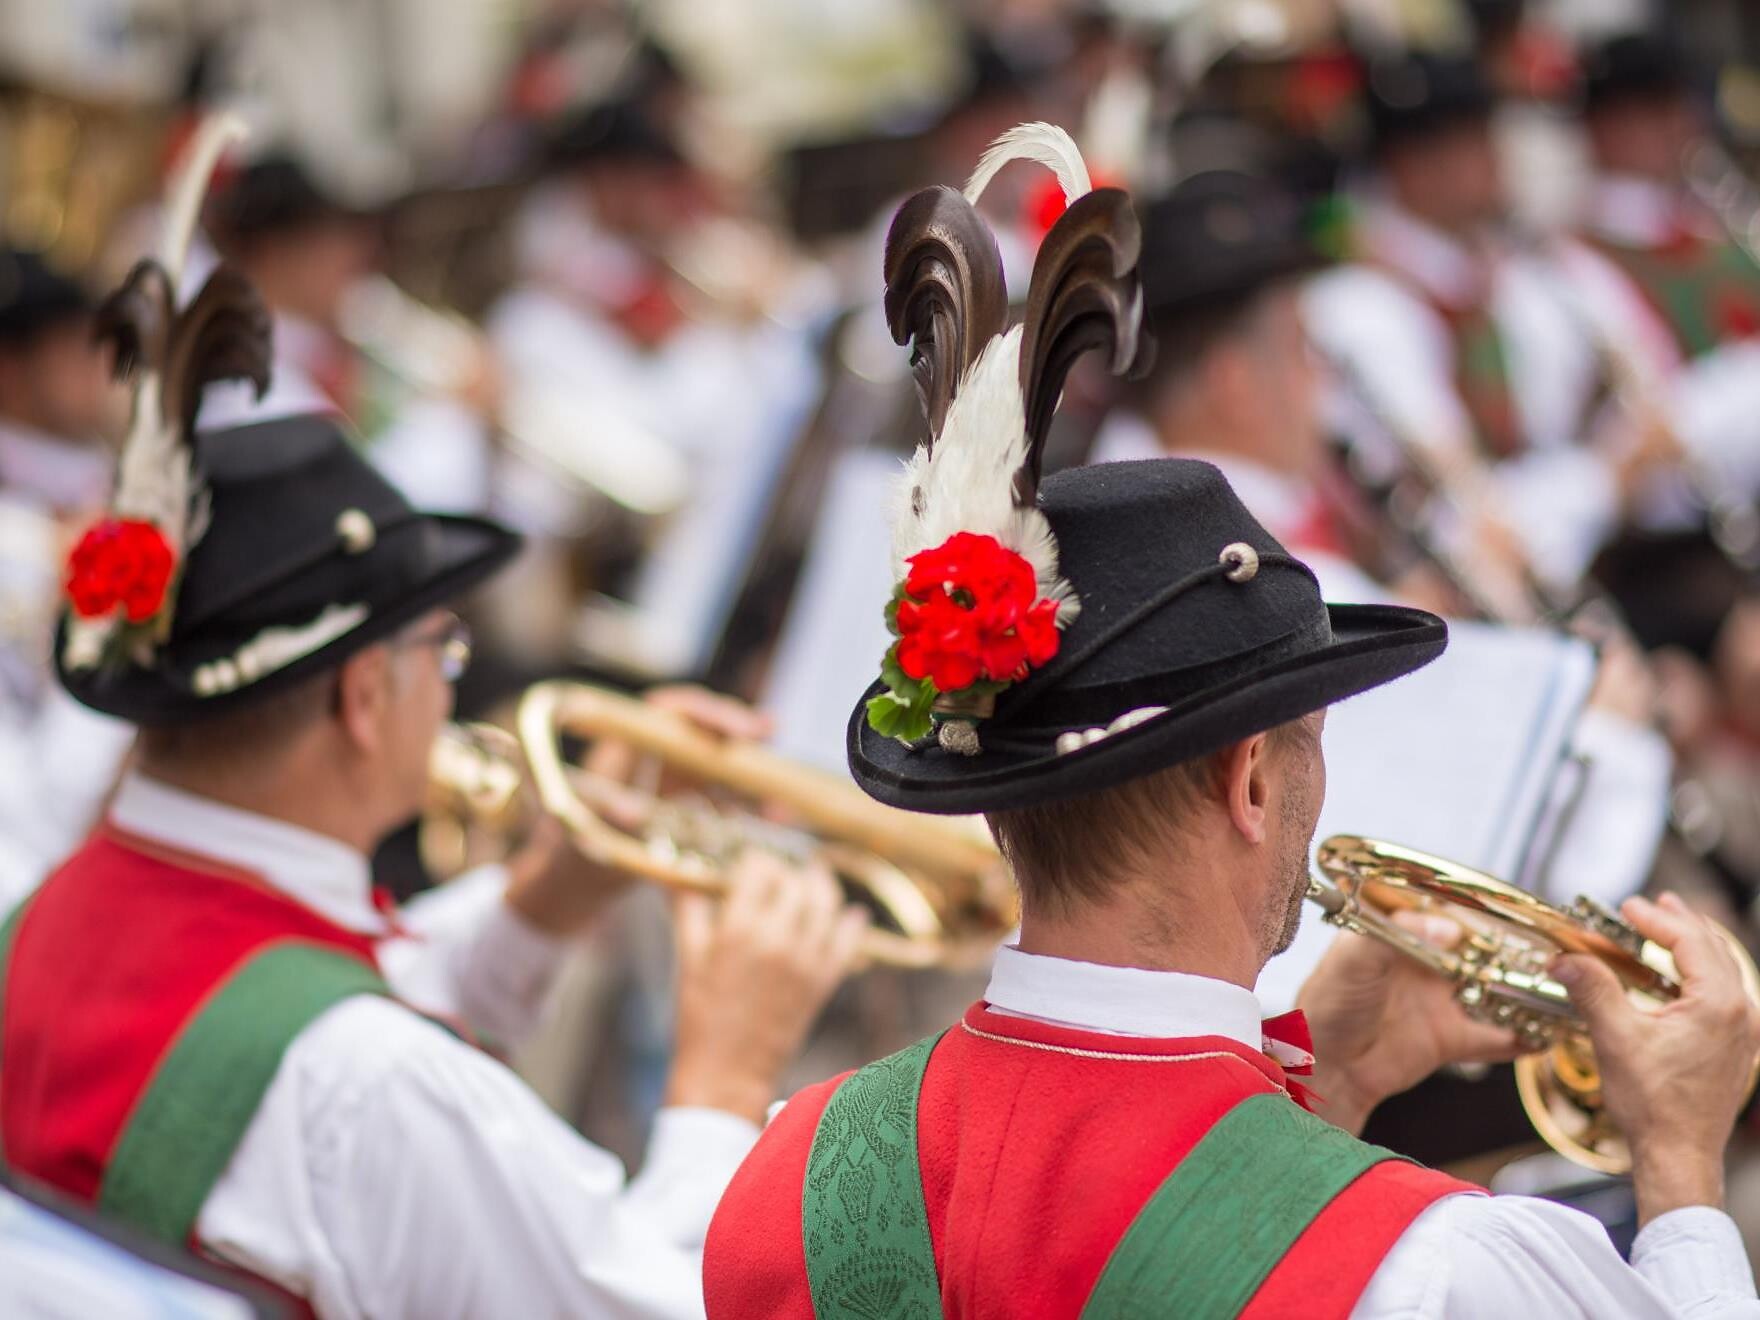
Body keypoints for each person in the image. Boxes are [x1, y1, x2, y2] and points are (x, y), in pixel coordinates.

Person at [703, 125, 1760, 1318]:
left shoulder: (783, 1177)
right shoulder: (1443, 1269)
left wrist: (1328, 1089)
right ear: (1249, 779)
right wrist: (1678, 1166)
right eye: (1315, 737)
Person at [0, 135, 865, 1319]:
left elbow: (291, 1008)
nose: (447, 684)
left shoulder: (43, 911)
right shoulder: (378, 1087)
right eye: (438, 656)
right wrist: (720, 1078)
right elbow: (650, 1301)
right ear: (363, 698)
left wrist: (545, 897)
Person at [1306, 51, 1670, 598]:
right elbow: (1463, 515)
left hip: (1590, 564)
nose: (1498, 157)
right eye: (1474, 140)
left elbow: (1656, 421)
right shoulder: (1360, 306)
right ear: (1412, 165)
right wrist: (1603, 483)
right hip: (1454, 603)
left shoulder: (1530, 278)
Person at [0, 247, 134, 905]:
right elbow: (45, 822)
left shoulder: (89, 486)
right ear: (11, 369)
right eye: (72, 344)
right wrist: (105, 600)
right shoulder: (20, 539)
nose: (101, 362)